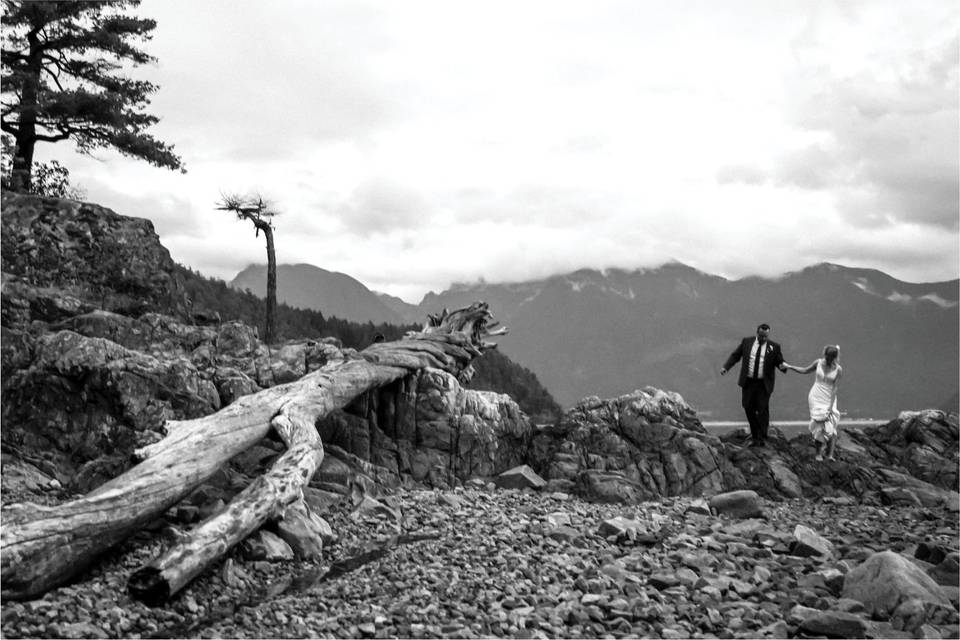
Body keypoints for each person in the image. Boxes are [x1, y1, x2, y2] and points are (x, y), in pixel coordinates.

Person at [720, 323, 788, 447]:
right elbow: (736, 356)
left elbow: (779, 361)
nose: (763, 339)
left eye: (766, 337)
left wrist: (782, 366)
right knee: (747, 406)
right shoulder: (747, 342)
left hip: (763, 384)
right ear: (757, 333)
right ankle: (756, 434)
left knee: (762, 409)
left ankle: (761, 437)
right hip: (749, 382)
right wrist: (726, 367)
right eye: (761, 336)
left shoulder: (774, 347)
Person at [783, 345, 842, 461]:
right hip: (816, 396)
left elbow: (835, 388)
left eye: (830, 357)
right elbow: (804, 370)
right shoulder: (818, 363)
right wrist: (789, 366)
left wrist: (830, 406)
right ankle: (818, 453)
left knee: (831, 424)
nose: (827, 359)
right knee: (818, 424)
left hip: (829, 397)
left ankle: (830, 454)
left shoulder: (838, 369)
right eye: (826, 356)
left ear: (834, 357)